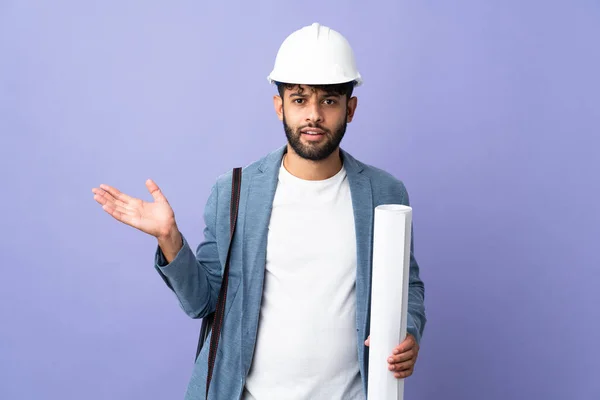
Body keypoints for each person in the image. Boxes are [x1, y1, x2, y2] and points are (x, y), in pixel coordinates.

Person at [92, 22, 426, 400]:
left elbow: (406, 285)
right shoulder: (234, 192)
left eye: (329, 101)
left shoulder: (383, 192)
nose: (313, 115)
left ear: (350, 109)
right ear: (279, 105)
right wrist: (170, 239)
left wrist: (408, 330)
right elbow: (202, 301)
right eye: (299, 100)